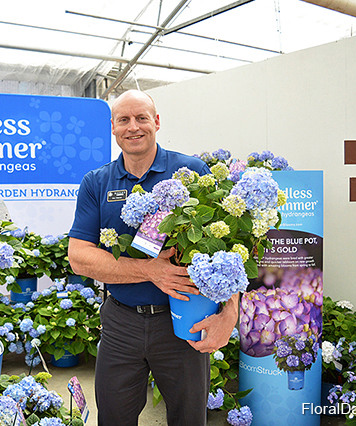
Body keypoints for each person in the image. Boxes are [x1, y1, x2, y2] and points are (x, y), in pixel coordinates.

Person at [67, 90, 239, 425]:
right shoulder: (97, 182)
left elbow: (228, 250)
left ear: (156, 122)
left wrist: (229, 313)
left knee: (189, 418)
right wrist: (151, 271)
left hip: (184, 319)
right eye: (124, 120)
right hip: (121, 323)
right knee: (113, 418)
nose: (133, 127)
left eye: (141, 118)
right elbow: (79, 257)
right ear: (113, 128)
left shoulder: (189, 171)